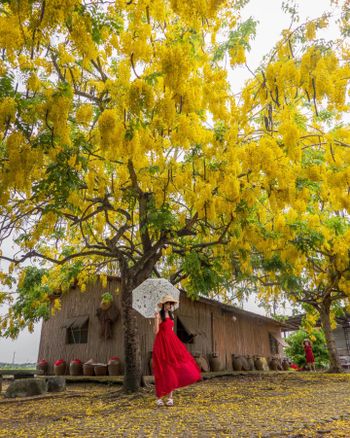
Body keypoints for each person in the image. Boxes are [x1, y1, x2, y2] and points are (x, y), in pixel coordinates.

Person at [152, 294, 201, 407]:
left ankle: (170, 398)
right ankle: (159, 397)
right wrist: (156, 319)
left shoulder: (172, 315)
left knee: (172, 368)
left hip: (172, 343)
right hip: (161, 344)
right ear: (163, 304)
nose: (169, 305)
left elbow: (171, 330)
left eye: (171, 303)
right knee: (161, 369)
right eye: (168, 303)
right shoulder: (159, 315)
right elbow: (156, 331)